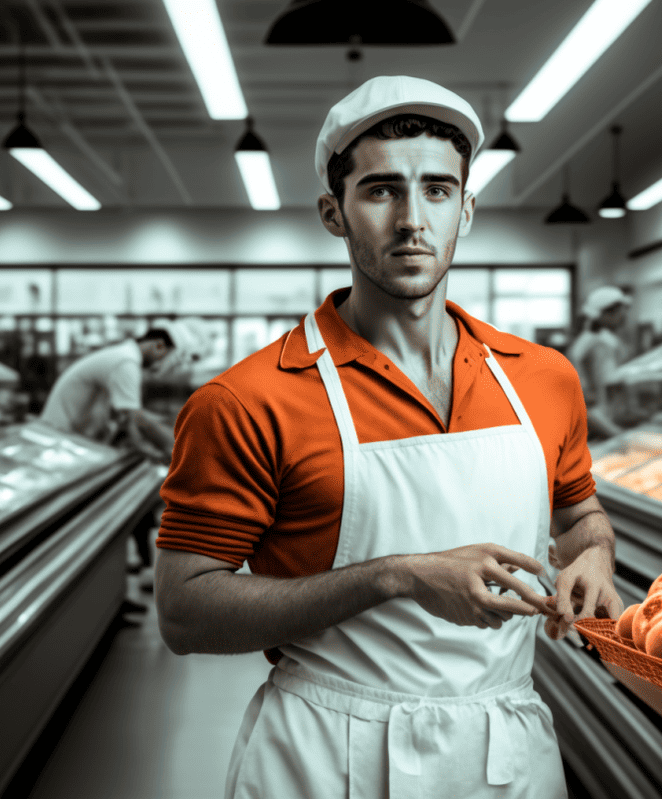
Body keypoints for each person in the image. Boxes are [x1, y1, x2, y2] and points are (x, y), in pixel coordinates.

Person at [154, 75, 625, 798]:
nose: (412, 219)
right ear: (333, 213)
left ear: (465, 211)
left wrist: (594, 551)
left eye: (438, 190)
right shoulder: (246, 399)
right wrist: (395, 574)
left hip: (508, 748)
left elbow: (581, 515)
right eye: (381, 191)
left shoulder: (545, 378)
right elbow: (185, 612)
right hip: (324, 753)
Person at [39, 325, 190, 600]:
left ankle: (111, 597)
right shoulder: (125, 362)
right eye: (166, 357)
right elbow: (134, 417)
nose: (162, 367)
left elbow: (130, 418)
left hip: (78, 447)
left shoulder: (122, 358)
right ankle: (92, 597)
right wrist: (163, 448)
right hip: (64, 448)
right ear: (157, 346)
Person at [568, 286, 633, 441]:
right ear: (605, 313)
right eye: (620, 311)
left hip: (603, 428)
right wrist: (619, 435)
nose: (624, 316)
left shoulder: (596, 341)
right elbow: (585, 403)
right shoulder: (595, 345)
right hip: (598, 431)